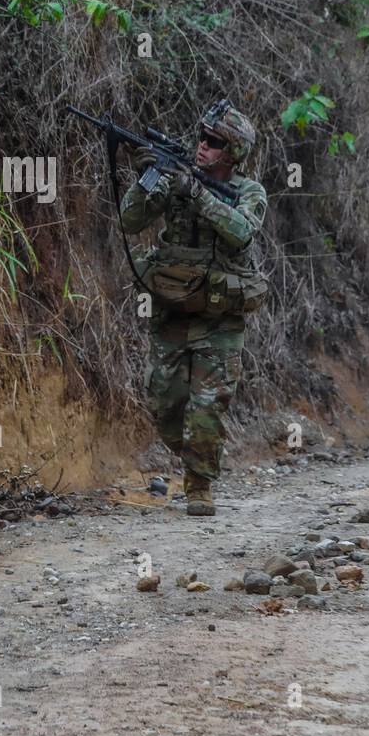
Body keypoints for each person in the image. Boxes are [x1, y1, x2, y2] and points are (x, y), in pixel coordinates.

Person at [119, 99, 267, 516]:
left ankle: (199, 486)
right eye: (201, 137)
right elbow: (130, 220)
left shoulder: (248, 192)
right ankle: (197, 458)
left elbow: (242, 233)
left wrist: (195, 191)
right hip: (173, 310)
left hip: (220, 318)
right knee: (164, 405)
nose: (202, 146)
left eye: (214, 142)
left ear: (233, 153)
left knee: (207, 406)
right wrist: (145, 177)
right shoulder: (175, 177)